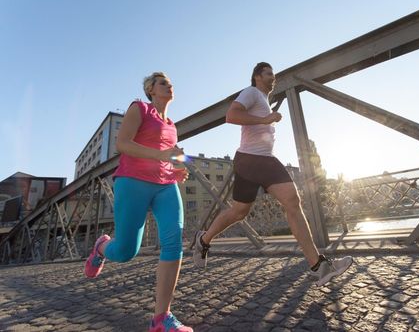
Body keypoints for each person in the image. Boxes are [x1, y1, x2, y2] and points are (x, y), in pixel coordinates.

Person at [192, 62, 353, 286]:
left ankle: (319, 266)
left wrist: (265, 118)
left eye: (274, 74)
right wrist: (264, 120)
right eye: (269, 73)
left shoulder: (263, 100)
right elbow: (231, 115)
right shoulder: (251, 93)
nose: (273, 77)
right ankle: (204, 238)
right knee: (251, 209)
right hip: (250, 159)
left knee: (266, 206)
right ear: (257, 76)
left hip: (263, 159)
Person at [84, 72, 193, 332]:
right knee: (125, 252)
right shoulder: (139, 108)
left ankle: (161, 318)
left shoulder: (172, 125)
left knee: (173, 242)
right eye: (163, 83)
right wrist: (161, 155)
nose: (169, 85)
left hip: (166, 185)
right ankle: (102, 247)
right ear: (151, 90)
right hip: (133, 181)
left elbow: (174, 155)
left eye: (170, 82)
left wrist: (179, 168)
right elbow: (123, 144)